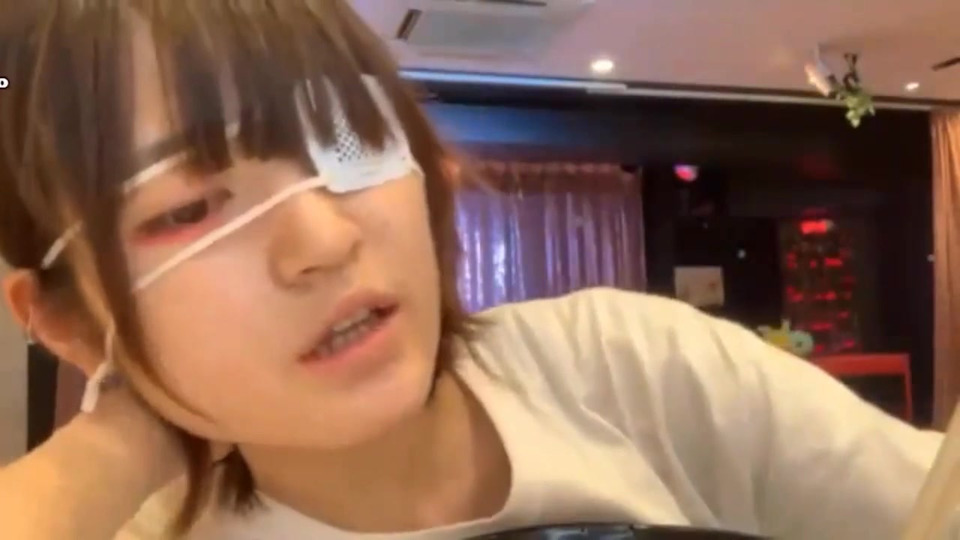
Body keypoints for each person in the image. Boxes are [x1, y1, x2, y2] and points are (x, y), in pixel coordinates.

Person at [0, 2, 943, 539]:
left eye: (347, 138)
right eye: (186, 210)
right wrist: (115, 447)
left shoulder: (631, 370)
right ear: (65, 321)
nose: (324, 240)